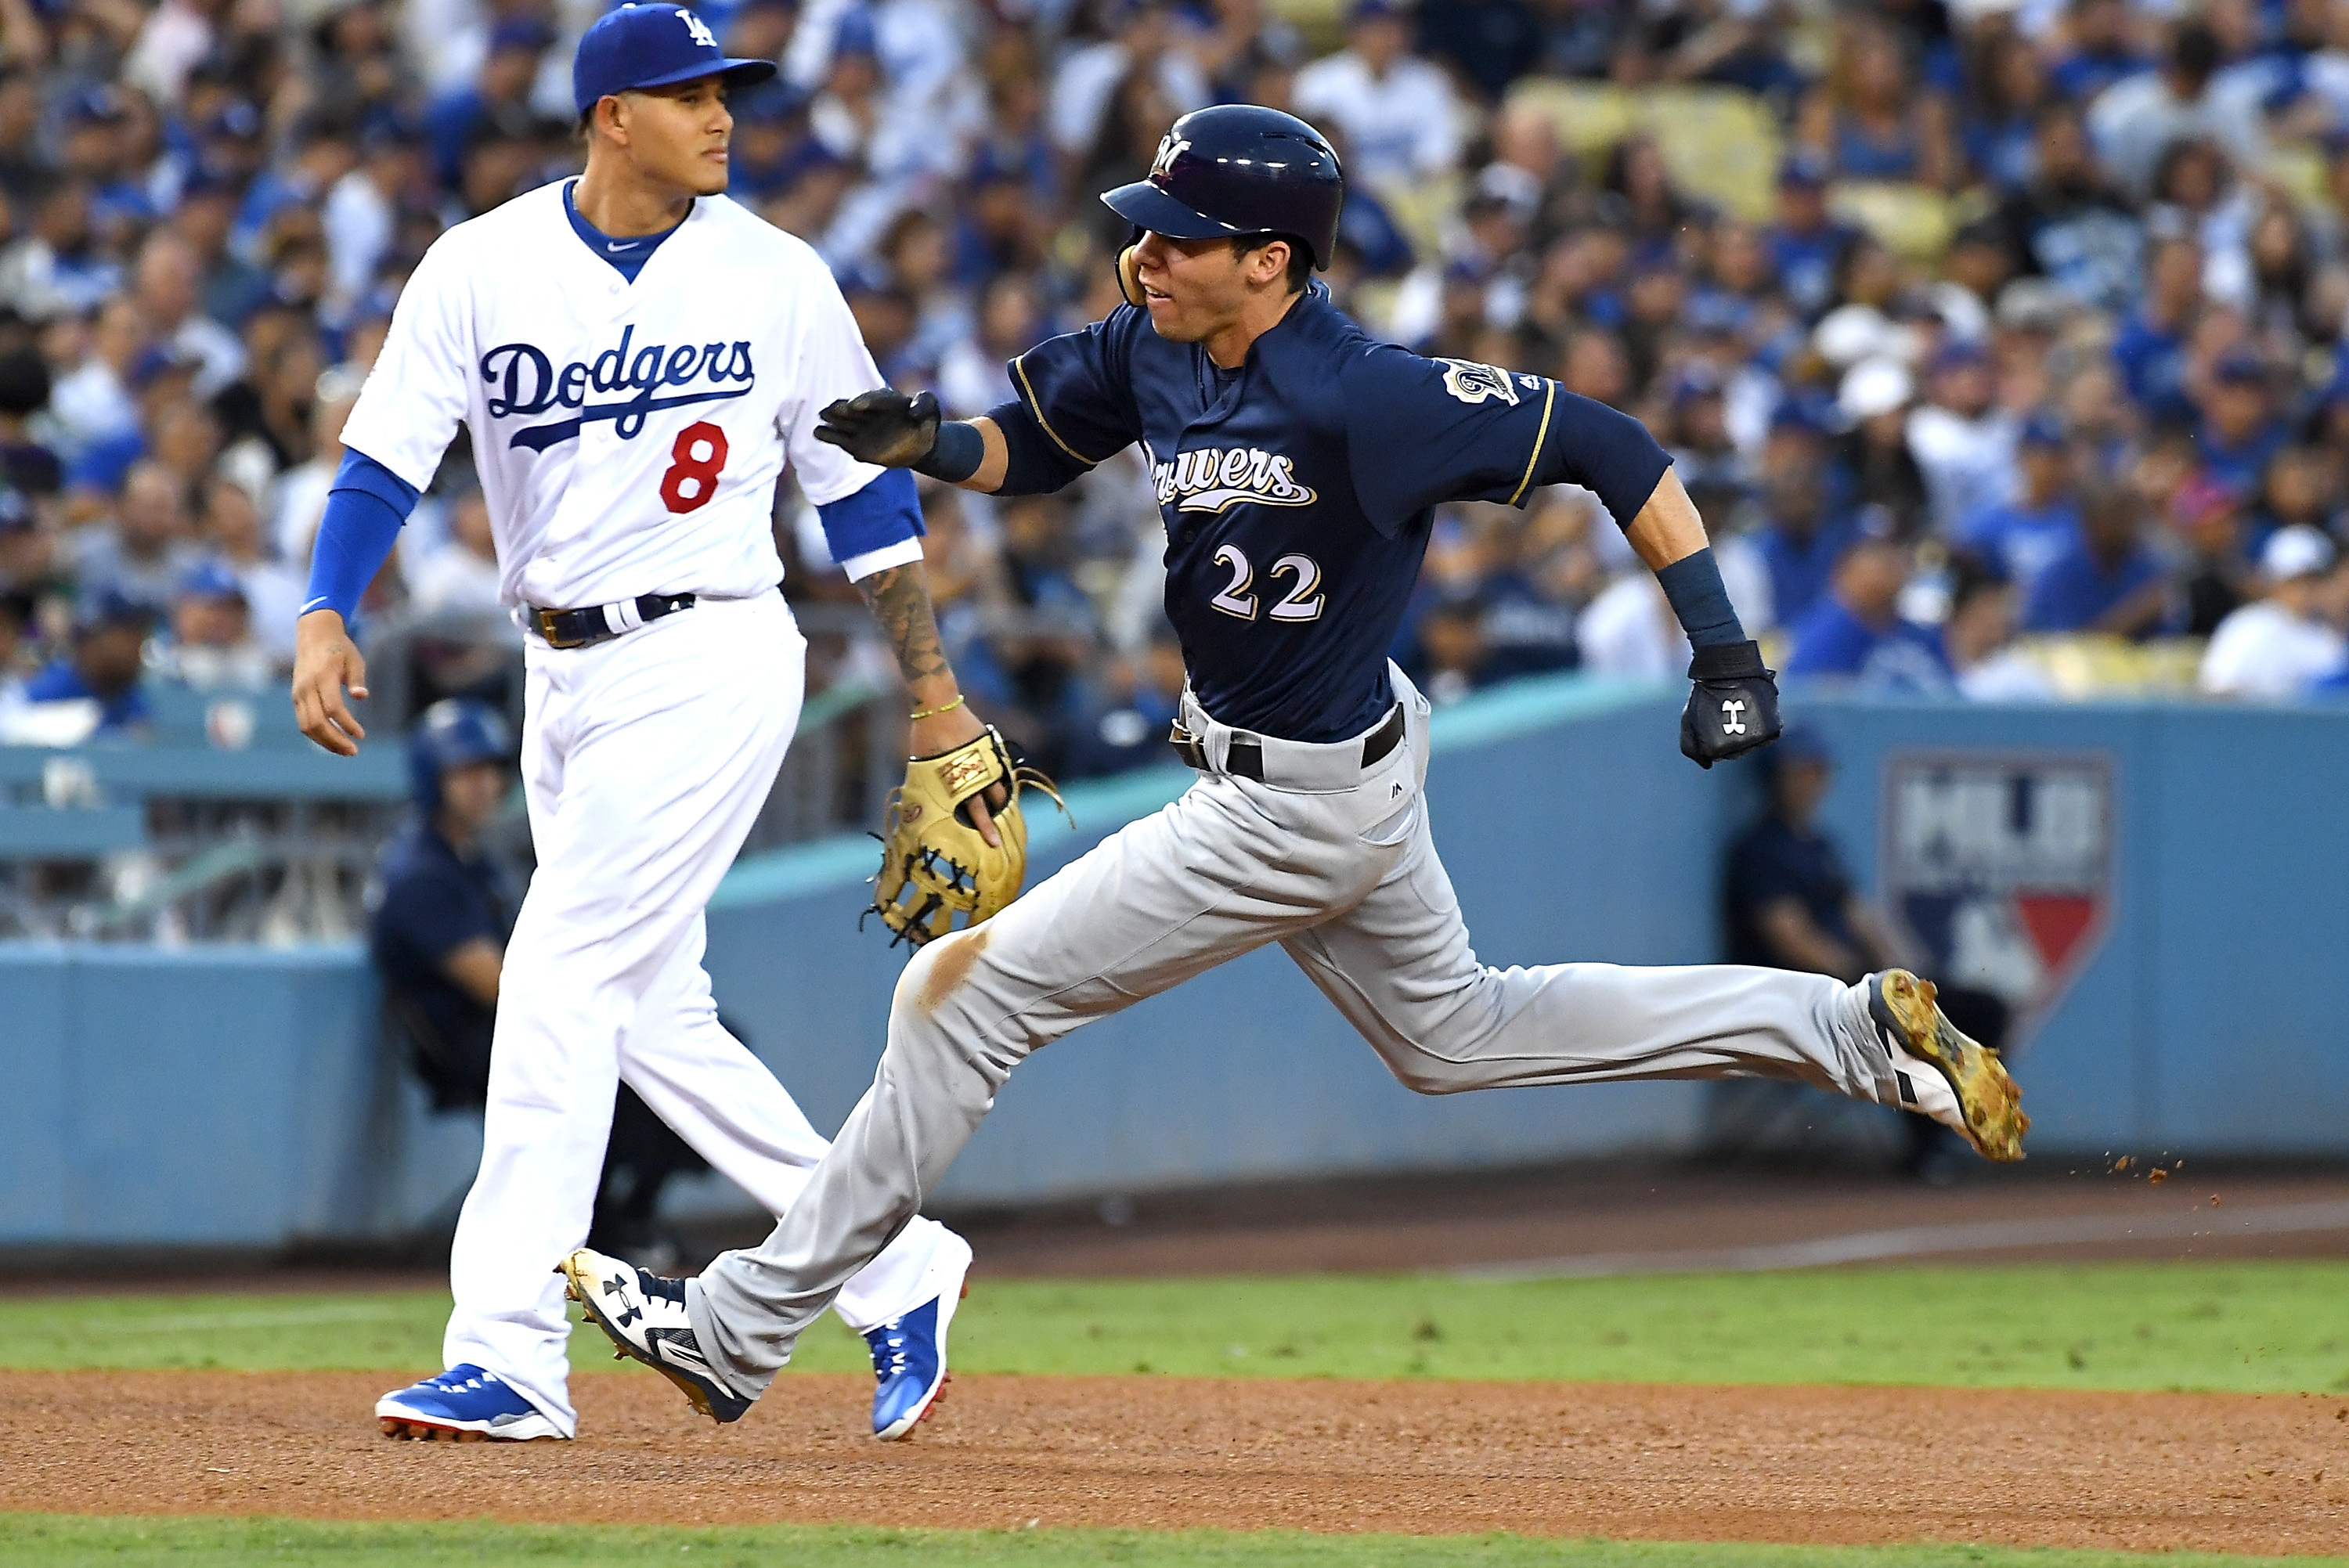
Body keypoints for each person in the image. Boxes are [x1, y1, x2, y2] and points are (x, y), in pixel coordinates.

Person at [558, 106, 2028, 1425]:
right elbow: (1039, 443)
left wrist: (1723, 656)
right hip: (1336, 771)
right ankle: (1854, 1033)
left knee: (956, 996)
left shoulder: (1365, 395)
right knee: (1457, 1035)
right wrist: (936, 443)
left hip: (1292, 803)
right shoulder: (1156, 344)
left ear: (1269, 260)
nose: (1145, 253)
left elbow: (1618, 445)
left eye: (1180, 238)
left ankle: (739, 1328)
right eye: (1145, 229)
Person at [289, 7, 978, 1447]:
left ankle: (509, 1351)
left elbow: (863, 496)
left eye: (730, 92)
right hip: (565, 677)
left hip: (715, 646)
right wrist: (324, 608)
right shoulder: (481, 264)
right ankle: (896, 1261)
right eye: (692, 95)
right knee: (650, 1014)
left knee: (555, 973)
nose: (724, 115)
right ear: (613, 115)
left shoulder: (777, 275)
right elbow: (382, 452)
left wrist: (929, 689)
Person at [372, 700, 712, 1271]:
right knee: (626, 1066)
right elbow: (501, 986)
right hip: (472, 1042)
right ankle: (607, 1230)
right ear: (433, 778)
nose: (484, 784)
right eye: (464, 771)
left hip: (523, 1029)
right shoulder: (420, 871)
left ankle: (626, 1218)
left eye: (490, 769)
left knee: (685, 1049)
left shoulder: (474, 858)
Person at [1722, 726, 2010, 1183]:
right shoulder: (1760, 850)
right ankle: (1926, 1152)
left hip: (1850, 981)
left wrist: (1908, 976)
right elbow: (1790, 938)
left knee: (1983, 1008)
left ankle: (1948, 1137)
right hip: (1801, 992)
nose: (1813, 782)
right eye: (1802, 771)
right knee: (1904, 1027)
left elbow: (1861, 918)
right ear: (1775, 777)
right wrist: (1862, 985)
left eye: (1817, 772)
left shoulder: (1818, 847)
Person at [2199, 525, 2347, 698]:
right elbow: (2216, 691)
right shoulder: (2248, 626)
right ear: (2275, 581)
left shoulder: (2330, 636)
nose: (2305, 591)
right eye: (2295, 582)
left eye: (2313, 581)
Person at [23, 590, 155, 734]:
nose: (133, 647)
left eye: (137, 636)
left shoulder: (129, 693)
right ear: (92, 641)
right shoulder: (49, 691)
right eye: (123, 635)